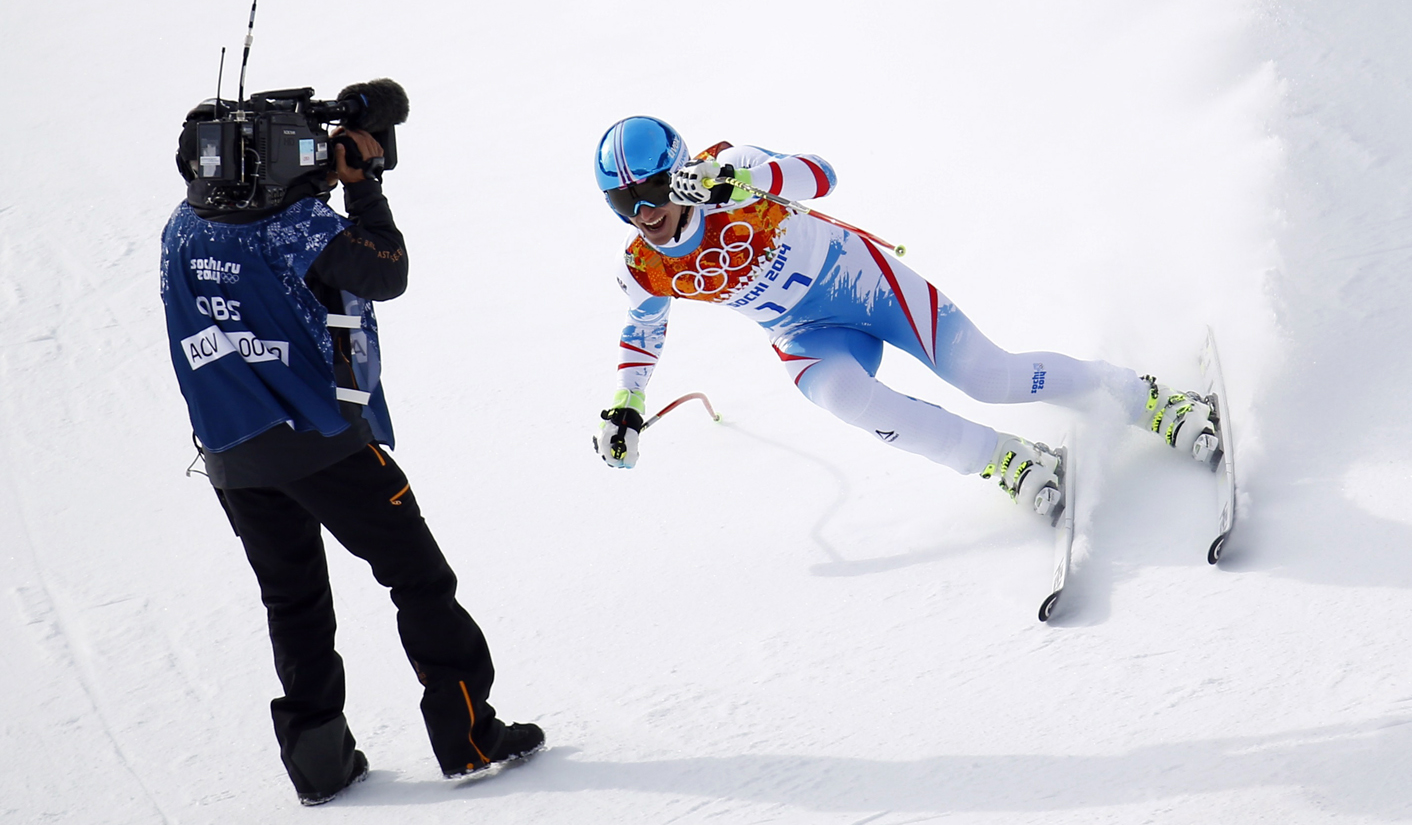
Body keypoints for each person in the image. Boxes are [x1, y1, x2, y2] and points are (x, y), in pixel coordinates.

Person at [161, 98, 543, 806]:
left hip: (234, 457)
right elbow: (385, 271)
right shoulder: (296, 225)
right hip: (324, 445)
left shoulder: (182, 227)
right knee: (420, 581)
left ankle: (320, 767)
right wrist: (364, 184)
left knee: (293, 601)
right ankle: (468, 737)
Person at [591, 116, 1219, 514]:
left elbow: (821, 177)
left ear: (678, 173)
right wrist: (627, 403)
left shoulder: (731, 170)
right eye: (623, 201)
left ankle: (1146, 399)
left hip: (860, 283)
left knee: (989, 378)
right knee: (841, 397)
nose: (644, 213)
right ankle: (1004, 459)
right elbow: (642, 326)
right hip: (801, 331)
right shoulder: (642, 263)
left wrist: (743, 179)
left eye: (652, 189)